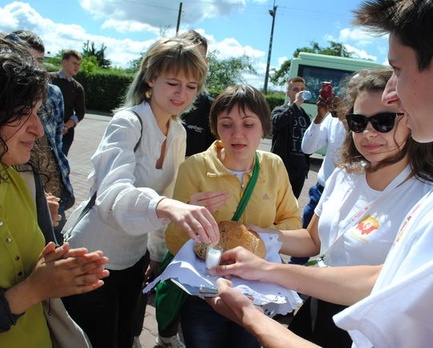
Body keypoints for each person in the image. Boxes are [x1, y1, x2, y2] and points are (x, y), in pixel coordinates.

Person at [206, 0, 433, 346]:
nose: (392, 94)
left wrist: (250, 317)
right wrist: (266, 268)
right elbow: (384, 277)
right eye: (358, 121)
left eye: (397, 70)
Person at [213, 68, 433, 347]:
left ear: (412, 120)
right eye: (358, 122)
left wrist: (265, 270)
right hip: (315, 310)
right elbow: (312, 240)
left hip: (367, 328)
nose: (368, 132)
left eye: (384, 121)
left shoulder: (429, 198)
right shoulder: (345, 175)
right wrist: (253, 233)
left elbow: (384, 283)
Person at [62, 37, 220, 348]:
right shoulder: (127, 121)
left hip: (135, 257)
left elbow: (164, 200)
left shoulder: (178, 131)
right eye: (173, 82)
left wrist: (183, 207)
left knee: (124, 337)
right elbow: (112, 195)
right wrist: (169, 206)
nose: (182, 94)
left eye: (191, 87)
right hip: (92, 257)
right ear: (150, 78)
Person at [164, 84, 302, 348]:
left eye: (248, 124)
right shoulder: (194, 167)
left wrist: (260, 235)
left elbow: (292, 221)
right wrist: (187, 217)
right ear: (215, 127)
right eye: (226, 124)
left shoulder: (273, 165)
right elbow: (172, 241)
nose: (237, 134)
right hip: (204, 293)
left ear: (264, 127)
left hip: (256, 290)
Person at [0, 36, 109, 348]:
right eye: (22, 113)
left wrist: (60, 270)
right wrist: (33, 290)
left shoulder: (24, 175)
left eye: (38, 111)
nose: (38, 128)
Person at [151, 29, 213, 348]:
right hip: (158, 202)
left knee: (173, 266)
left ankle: (166, 330)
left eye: (198, 54)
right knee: (153, 265)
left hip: (185, 199)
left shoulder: (203, 108)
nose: (183, 90)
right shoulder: (142, 117)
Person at [10, 29, 75, 243]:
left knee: (53, 240)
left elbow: (55, 141)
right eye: (25, 60)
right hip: (22, 184)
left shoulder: (54, 93)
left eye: (39, 61)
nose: (34, 68)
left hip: (48, 183)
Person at [289, 74, 351, 265]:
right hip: (321, 192)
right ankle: (293, 283)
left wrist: (344, 119)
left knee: (340, 250)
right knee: (302, 247)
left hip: (348, 196)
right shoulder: (330, 120)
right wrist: (319, 116)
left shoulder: (362, 124)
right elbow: (307, 148)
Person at [271, 76, 312, 198]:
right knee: (276, 201)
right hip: (283, 166)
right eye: (295, 89)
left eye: (302, 89)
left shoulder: (304, 115)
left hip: (299, 168)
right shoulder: (279, 110)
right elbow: (276, 123)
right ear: (288, 92)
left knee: (292, 203)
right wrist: (295, 104)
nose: (300, 92)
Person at [178, 29, 215, 157]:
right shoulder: (155, 100)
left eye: (198, 58)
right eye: (187, 57)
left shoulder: (210, 108)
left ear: (205, 63)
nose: (192, 65)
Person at [49, 49, 86, 156]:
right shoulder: (48, 79)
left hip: (66, 133)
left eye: (79, 64)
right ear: (64, 62)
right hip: (46, 129)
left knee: (60, 162)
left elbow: (80, 112)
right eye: (74, 63)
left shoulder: (78, 88)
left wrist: (66, 126)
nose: (77, 67)